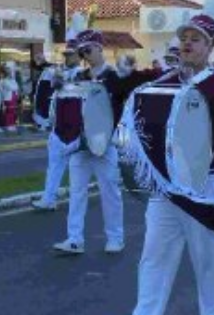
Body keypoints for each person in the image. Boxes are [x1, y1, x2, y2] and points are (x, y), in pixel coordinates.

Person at [101, 1, 214, 315]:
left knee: (209, 258)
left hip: (205, 184)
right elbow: (132, 117)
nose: (188, 44)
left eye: (196, 39)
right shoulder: (158, 84)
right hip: (164, 187)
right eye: (185, 38)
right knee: (154, 256)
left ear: (209, 48)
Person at [51, 15, 159, 255]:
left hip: (105, 144)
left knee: (109, 193)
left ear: (99, 49)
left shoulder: (115, 77)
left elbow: (142, 81)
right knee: (77, 193)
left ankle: (115, 237)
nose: (84, 55)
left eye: (87, 50)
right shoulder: (79, 77)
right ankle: (75, 238)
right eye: (81, 52)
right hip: (80, 143)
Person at [31, 42, 80, 212]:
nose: (67, 58)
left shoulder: (82, 74)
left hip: (77, 131)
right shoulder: (59, 72)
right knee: (54, 166)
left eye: (71, 55)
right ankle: (48, 199)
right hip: (59, 128)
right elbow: (53, 81)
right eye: (66, 55)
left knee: (79, 172)